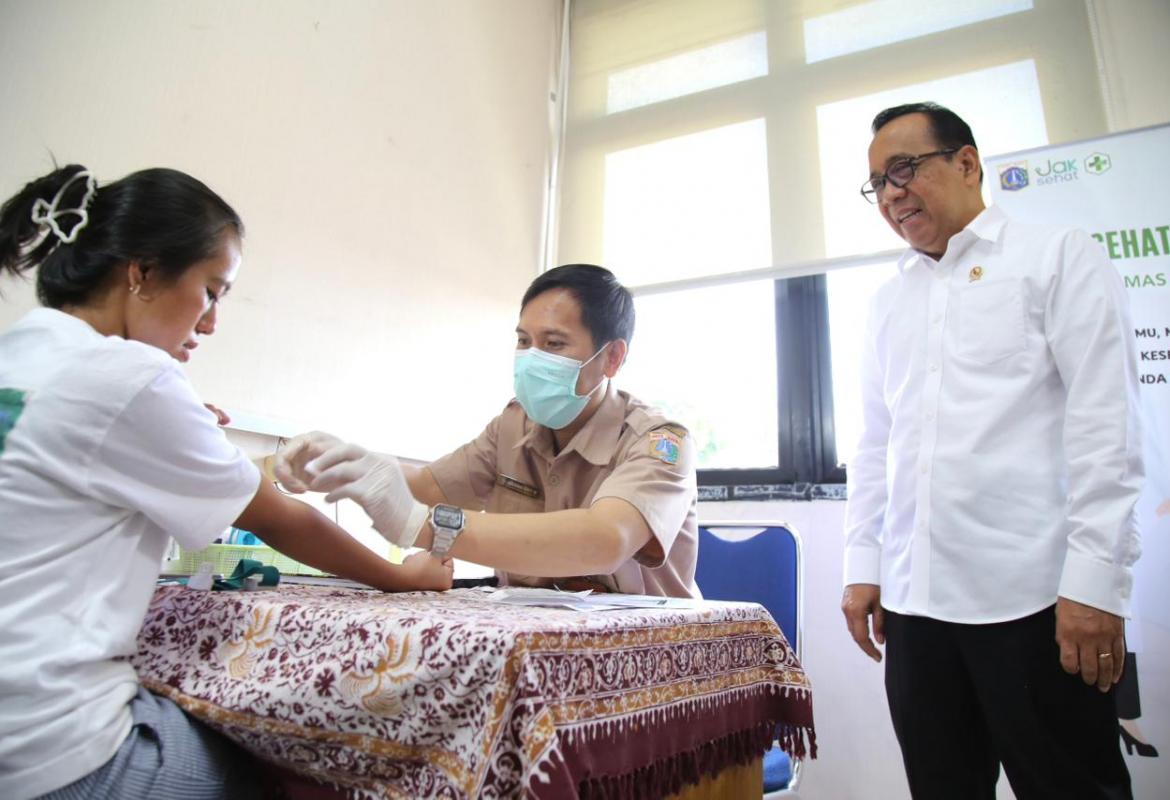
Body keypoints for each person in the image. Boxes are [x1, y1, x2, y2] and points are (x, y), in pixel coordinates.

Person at [0, 164, 453, 800]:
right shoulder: (131, 376)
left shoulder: (21, 353)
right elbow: (277, 516)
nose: (211, 322)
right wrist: (404, 575)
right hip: (48, 746)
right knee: (287, 771)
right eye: (212, 291)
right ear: (142, 272)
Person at [840, 102, 1142, 799]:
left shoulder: (1056, 256)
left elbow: (1107, 426)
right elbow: (876, 442)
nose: (890, 194)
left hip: (1037, 603)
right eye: (877, 183)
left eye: (904, 170)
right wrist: (863, 566)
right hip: (915, 608)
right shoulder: (888, 300)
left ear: (968, 163)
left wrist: (1095, 584)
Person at [275, 264, 700, 597]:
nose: (531, 358)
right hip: (535, 633)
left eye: (554, 344)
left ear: (612, 358)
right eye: (524, 341)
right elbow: (431, 487)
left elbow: (605, 539)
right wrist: (349, 464)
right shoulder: (513, 425)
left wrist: (426, 526)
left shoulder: (660, 442)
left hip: (649, 649)